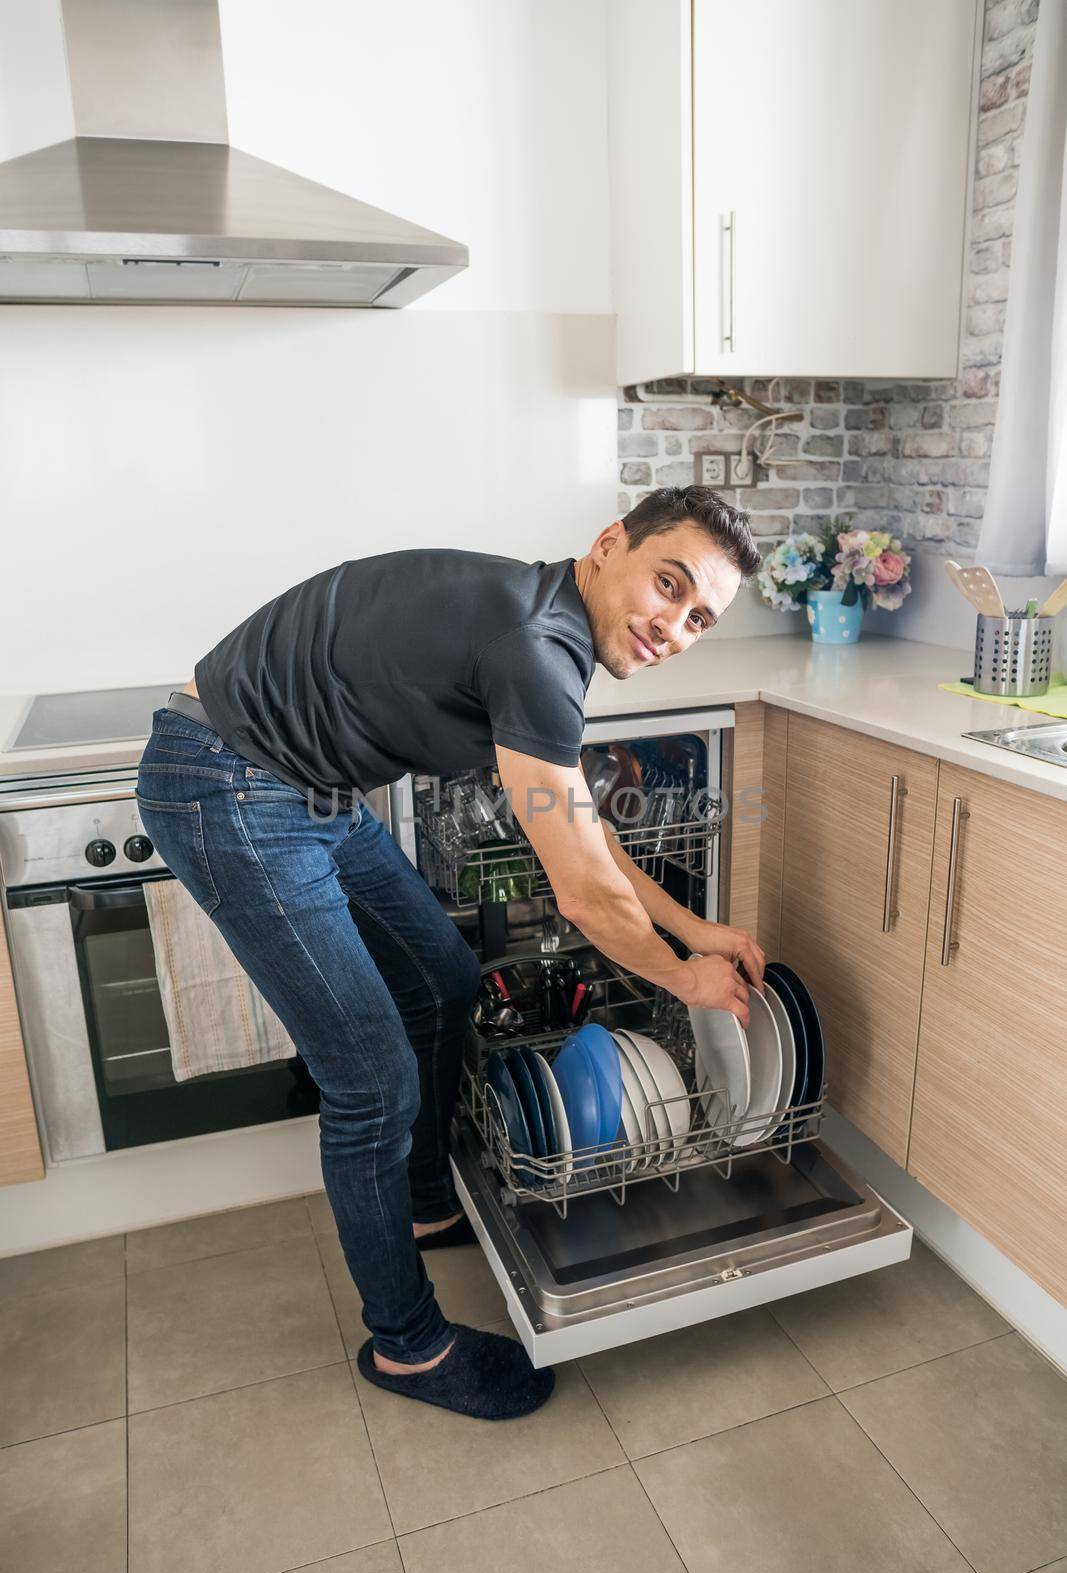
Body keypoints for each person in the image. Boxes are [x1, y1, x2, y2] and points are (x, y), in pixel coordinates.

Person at [135, 484, 766, 1422]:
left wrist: (695, 927)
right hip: (231, 787)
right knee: (371, 1082)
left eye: (697, 616)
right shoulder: (534, 646)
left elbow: (577, 827)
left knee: (443, 977)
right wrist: (683, 980)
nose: (672, 624)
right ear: (608, 545)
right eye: (666, 585)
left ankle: (425, 1200)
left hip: (312, 793)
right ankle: (408, 1349)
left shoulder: (545, 621)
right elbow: (584, 893)